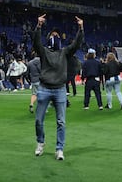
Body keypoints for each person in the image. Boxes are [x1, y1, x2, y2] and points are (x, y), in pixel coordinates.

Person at [33, 14, 84, 160]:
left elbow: (76, 44)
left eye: (57, 35)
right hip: (44, 88)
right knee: (38, 120)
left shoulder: (64, 52)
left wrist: (81, 28)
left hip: (60, 89)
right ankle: (40, 142)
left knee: (61, 121)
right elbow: (36, 42)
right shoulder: (43, 51)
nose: (54, 37)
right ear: (48, 38)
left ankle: (59, 149)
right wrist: (38, 26)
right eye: (52, 35)